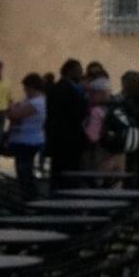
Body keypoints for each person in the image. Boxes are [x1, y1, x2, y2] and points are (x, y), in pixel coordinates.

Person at [45, 59, 90, 191]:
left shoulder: (56, 88)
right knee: (68, 176)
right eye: (79, 70)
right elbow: (79, 112)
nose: (81, 73)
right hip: (69, 140)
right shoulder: (68, 90)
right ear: (70, 71)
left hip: (58, 139)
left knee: (58, 173)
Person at [8, 73, 47, 199]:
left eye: (26, 88)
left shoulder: (37, 102)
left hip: (27, 141)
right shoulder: (31, 101)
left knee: (24, 172)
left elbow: (14, 114)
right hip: (25, 139)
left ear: (32, 87)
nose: (24, 91)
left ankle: (30, 198)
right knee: (23, 171)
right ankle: (28, 197)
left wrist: (11, 108)